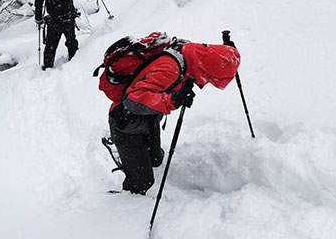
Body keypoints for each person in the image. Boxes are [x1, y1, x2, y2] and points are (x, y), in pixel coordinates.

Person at [102, 33, 241, 194]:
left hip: (149, 118)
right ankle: (119, 194)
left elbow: (213, 55)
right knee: (142, 182)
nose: (209, 81)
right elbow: (132, 99)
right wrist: (172, 100)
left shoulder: (190, 52)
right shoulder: (170, 69)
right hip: (126, 123)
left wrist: (228, 51)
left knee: (156, 159)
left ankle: (130, 158)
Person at [34, 0, 91, 70]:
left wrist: (38, 20)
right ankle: (73, 64)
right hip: (68, 19)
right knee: (71, 43)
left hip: (54, 22)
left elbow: (38, 5)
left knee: (51, 46)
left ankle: (47, 67)